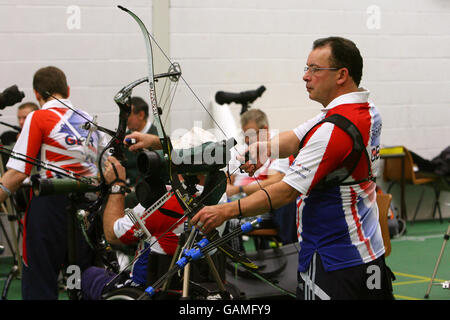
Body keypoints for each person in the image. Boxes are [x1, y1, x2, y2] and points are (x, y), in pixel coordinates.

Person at [191, 37, 394, 300]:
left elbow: (285, 192)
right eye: (306, 68)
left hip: (334, 258)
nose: (305, 76)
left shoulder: (333, 130)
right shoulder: (365, 109)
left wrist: (224, 211)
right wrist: (260, 150)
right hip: (367, 252)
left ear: (342, 75)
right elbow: (296, 136)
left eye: (314, 69)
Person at [81, 128, 228, 300]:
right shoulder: (222, 197)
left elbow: (113, 235)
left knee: (89, 275)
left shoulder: (164, 203)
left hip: (151, 290)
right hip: (202, 288)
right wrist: (153, 141)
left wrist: (117, 184)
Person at [0, 66, 105, 299]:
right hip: (86, 211)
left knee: (41, 279)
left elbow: (18, 172)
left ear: (37, 95)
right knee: (78, 279)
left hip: (50, 209)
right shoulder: (90, 119)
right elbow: (106, 168)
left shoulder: (38, 117)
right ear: (67, 89)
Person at [226, 108, 297, 245]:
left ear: (264, 130)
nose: (246, 139)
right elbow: (229, 180)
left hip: (263, 204)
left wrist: (239, 190)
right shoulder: (241, 151)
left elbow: (275, 183)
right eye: (244, 134)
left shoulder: (277, 150)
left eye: (250, 134)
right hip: (236, 201)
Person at [124, 96, 158, 186]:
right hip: (128, 187)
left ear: (141, 115)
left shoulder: (157, 138)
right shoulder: (125, 137)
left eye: (128, 114)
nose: (124, 118)